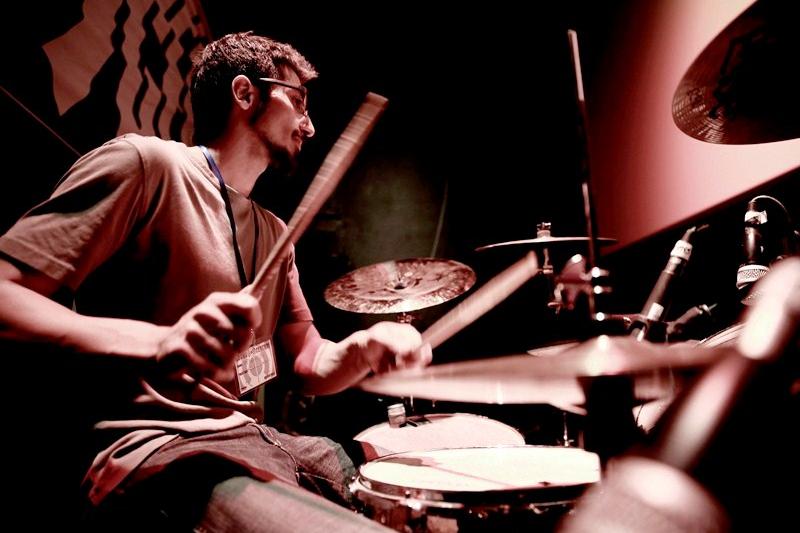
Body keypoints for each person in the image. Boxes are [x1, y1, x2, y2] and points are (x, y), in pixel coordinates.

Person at [0, 31, 430, 532]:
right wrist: (160, 341)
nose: (310, 126)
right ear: (245, 93)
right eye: (298, 101)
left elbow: (307, 361)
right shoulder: (145, 166)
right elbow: (7, 296)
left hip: (256, 440)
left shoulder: (276, 233)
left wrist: (364, 348)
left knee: (411, 498)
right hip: (156, 446)